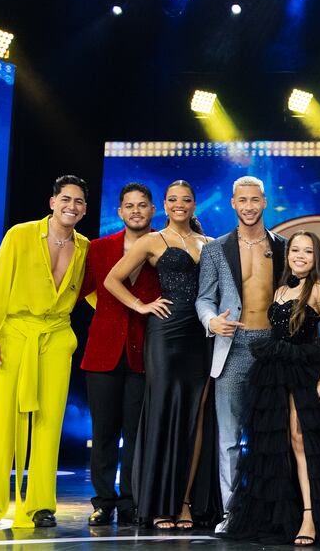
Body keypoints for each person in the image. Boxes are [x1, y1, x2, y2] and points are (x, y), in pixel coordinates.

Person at [0, 175, 91, 529]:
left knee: (49, 424)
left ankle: (41, 505)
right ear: (52, 202)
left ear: (84, 209)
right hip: (15, 334)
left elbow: (95, 292)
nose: (72, 206)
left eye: (79, 201)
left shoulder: (84, 247)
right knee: (1, 420)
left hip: (56, 337)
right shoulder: (20, 235)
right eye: (66, 199)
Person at [221, 231, 320, 545]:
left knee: (300, 439)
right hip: (273, 371)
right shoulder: (280, 289)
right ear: (288, 254)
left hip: (304, 370)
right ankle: (281, 516)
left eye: (307, 251)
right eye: (295, 250)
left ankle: (310, 515)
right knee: (275, 443)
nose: (300, 256)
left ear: (315, 257)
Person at [104, 180, 220, 529]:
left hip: (201, 335)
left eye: (186, 199)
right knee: (164, 411)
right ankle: (158, 503)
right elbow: (112, 279)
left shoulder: (210, 244)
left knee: (196, 416)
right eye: (172, 199)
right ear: (164, 206)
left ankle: (184, 502)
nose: (179, 204)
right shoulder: (152, 241)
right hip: (166, 334)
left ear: (194, 204)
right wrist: (141, 305)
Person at [195, 175, 288, 534]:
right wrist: (211, 321)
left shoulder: (282, 247)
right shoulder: (215, 249)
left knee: (272, 435)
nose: (249, 206)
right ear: (233, 203)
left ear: (264, 202)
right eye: (242, 200)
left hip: (271, 347)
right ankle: (231, 513)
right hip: (232, 346)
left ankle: (271, 511)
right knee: (230, 438)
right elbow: (204, 297)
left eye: (254, 200)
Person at [79, 182, 160, 527]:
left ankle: (130, 501)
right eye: (129, 206)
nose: (136, 211)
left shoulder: (165, 246)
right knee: (104, 432)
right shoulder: (99, 248)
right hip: (103, 352)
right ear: (120, 212)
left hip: (146, 353)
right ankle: (103, 501)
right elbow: (78, 290)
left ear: (153, 210)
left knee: (136, 433)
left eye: (142, 205)